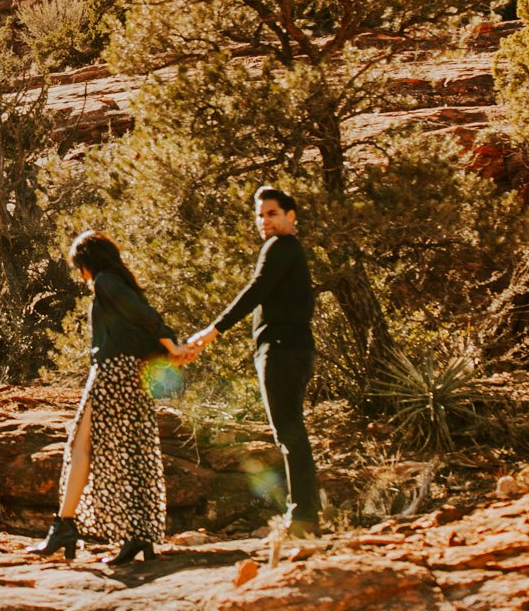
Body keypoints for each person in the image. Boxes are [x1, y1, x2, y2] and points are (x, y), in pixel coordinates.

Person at [31, 230, 197, 565]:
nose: (81, 276)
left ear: (89, 263)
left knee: (80, 444)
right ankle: (139, 535)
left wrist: (171, 343)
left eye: (80, 267)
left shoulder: (106, 282)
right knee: (131, 450)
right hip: (131, 374)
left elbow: (141, 314)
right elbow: (142, 317)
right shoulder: (117, 283)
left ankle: (64, 527)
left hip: (111, 373)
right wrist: (171, 347)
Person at [187, 185, 320, 538]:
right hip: (295, 348)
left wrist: (214, 330)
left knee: (289, 432)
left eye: (272, 213)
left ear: (291, 216)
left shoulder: (280, 246)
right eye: (260, 215)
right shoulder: (292, 252)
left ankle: (304, 516)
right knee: (291, 431)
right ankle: (306, 514)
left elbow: (256, 289)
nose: (264, 221)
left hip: (281, 349)